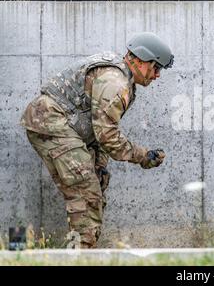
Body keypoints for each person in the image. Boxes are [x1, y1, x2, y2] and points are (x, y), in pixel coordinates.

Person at [20, 32, 174, 248]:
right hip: (52, 123)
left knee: (95, 184)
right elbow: (107, 136)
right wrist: (142, 156)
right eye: (156, 67)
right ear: (139, 60)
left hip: (61, 125)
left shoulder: (121, 77)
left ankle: (76, 251)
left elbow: (97, 129)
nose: (157, 75)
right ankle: (80, 257)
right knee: (87, 195)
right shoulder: (115, 83)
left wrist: (99, 165)